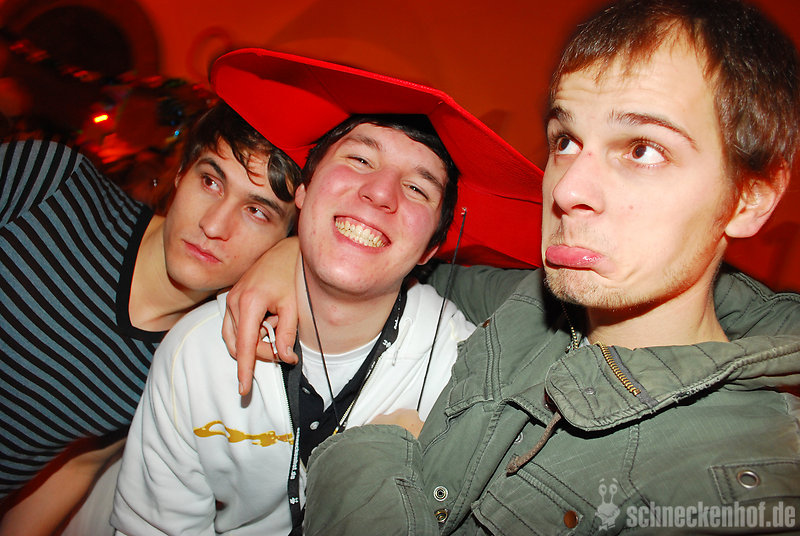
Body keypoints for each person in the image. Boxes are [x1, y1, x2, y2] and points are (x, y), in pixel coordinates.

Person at [222, 1, 800, 534]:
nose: (567, 189)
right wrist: (297, 253)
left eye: (641, 149)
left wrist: (373, 451)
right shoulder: (543, 306)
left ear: (749, 198)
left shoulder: (742, 491)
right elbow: (412, 269)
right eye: (566, 140)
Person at [108, 47, 539, 536]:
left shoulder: (462, 372)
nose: (381, 193)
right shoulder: (198, 352)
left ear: (431, 248)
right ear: (304, 189)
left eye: (417, 189)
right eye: (360, 159)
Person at [0, 101, 301, 535]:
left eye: (257, 211)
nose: (214, 225)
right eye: (211, 181)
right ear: (180, 174)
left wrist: (298, 257)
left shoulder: (192, 361)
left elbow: (79, 463)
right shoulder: (56, 183)